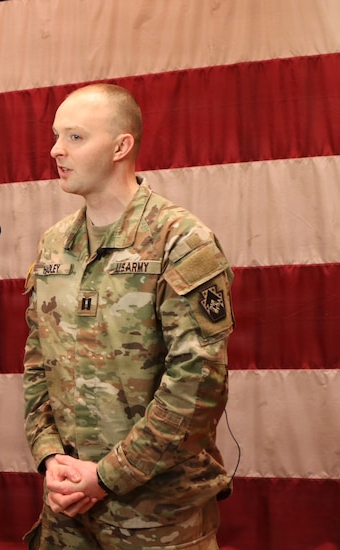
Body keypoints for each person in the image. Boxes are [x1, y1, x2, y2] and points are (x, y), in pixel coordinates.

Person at [22, 83, 234, 549]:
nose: (56, 150)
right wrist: (50, 455)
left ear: (122, 146)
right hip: (67, 505)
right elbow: (39, 361)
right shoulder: (54, 244)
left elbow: (197, 384)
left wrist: (107, 475)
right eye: (57, 136)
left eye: (75, 137)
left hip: (156, 514)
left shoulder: (181, 241)